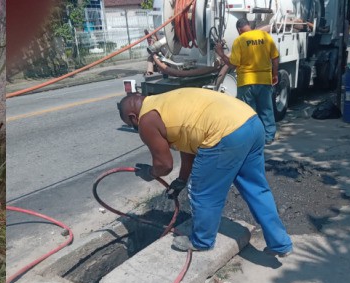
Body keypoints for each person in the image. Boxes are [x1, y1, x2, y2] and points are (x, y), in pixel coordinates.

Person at [116, 88, 293, 257]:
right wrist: (182, 179)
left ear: (133, 117)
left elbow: (164, 165)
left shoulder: (146, 120)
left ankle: (202, 241)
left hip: (225, 133)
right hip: (250, 122)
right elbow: (189, 143)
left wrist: (149, 172)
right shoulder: (163, 102)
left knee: (203, 192)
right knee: (256, 188)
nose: (135, 128)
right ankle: (280, 243)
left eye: (131, 125)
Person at [215, 18, 280, 145]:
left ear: (239, 30)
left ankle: (252, 140)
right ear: (249, 26)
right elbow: (275, 57)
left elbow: (233, 64)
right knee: (266, 109)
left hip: (246, 82)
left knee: (248, 113)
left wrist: (221, 54)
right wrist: (275, 74)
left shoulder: (239, 41)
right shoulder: (264, 36)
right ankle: (269, 137)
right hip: (264, 80)